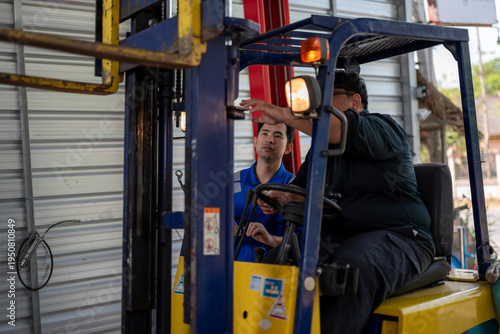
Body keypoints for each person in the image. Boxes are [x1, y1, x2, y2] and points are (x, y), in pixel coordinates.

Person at [240, 70, 435, 334]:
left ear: (355, 102)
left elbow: (338, 128)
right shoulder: (321, 150)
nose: (318, 110)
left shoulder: (381, 128)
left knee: (350, 271)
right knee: (275, 264)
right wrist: (281, 197)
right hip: (340, 240)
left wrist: (285, 115)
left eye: (327, 101)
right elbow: (298, 190)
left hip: (400, 237)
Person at [233, 122, 296, 262]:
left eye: (278, 136)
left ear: (288, 148)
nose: (269, 139)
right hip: (234, 274)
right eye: (265, 133)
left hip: (274, 276)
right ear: (255, 141)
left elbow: (303, 245)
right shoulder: (231, 183)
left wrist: (270, 239)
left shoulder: (295, 190)